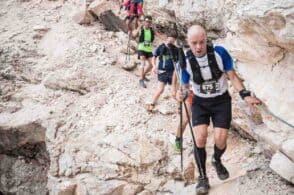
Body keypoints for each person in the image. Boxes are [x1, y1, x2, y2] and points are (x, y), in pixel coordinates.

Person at [176, 25, 261, 195]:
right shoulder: (184, 61)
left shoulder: (219, 52)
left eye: (202, 42)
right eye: (194, 43)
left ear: (206, 38)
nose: (198, 47)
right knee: (200, 137)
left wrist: (244, 95)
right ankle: (202, 178)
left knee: (221, 139)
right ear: (188, 42)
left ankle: (216, 159)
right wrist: (182, 94)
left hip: (221, 100)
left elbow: (232, 76)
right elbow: (185, 87)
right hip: (200, 102)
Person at [146, 33, 179, 112]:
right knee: (160, 89)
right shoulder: (161, 47)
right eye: (169, 40)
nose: (170, 42)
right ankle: (152, 104)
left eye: (172, 41)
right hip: (162, 71)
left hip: (173, 72)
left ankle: (180, 107)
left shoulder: (176, 50)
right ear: (167, 39)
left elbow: (179, 61)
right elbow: (154, 57)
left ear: (174, 41)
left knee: (175, 91)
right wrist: (154, 66)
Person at [131, 15, 165, 88]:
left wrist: (167, 39)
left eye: (149, 22)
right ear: (144, 22)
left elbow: (159, 35)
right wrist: (135, 30)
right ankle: (141, 80)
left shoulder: (152, 30)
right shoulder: (141, 28)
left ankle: (143, 75)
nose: (148, 23)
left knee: (151, 65)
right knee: (142, 62)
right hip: (141, 48)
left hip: (149, 49)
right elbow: (134, 35)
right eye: (146, 21)